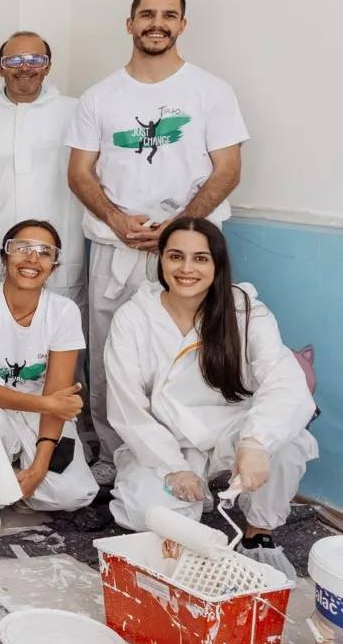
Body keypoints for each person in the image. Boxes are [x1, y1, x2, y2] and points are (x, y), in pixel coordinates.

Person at [66, 0, 249, 481]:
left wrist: (180, 228)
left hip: (189, 250)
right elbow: (80, 173)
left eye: (169, 15)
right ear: (130, 24)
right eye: (147, 14)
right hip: (116, 245)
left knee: (190, 351)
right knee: (111, 359)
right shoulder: (100, 97)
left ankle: (186, 459)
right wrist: (117, 218)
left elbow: (227, 168)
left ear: (182, 25)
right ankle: (111, 459)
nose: (157, 23)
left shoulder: (211, 91)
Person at [105, 218, 316, 577]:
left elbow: (284, 379)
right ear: (161, 260)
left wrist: (255, 442)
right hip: (165, 437)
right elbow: (128, 408)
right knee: (145, 512)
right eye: (175, 256)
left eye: (200, 258)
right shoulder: (134, 317)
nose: (186, 269)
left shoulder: (243, 309)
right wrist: (174, 468)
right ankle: (191, 497)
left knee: (290, 439)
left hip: (231, 429)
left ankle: (258, 532)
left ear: (217, 264)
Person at [0, 220, 97, 536]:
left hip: (37, 409)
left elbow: (56, 395)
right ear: (4, 257)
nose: (32, 259)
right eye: (22, 248)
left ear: (53, 266)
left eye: (44, 253)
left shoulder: (63, 311)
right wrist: (44, 402)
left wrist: (38, 469)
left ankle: (10, 475)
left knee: (76, 494)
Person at [0, 32, 85, 303]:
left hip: (62, 242)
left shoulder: (75, 112)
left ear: (48, 66)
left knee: (57, 328)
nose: (25, 67)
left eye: (35, 59)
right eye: (14, 60)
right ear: (0, 67)